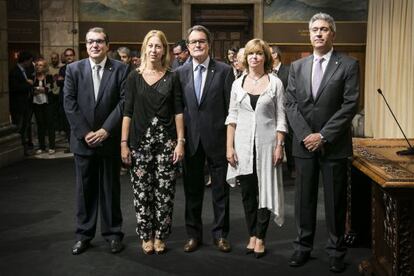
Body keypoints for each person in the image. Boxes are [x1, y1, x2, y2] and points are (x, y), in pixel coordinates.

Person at [285, 13, 359, 273]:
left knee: (335, 201)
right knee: (303, 200)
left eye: (324, 29)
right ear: (309, 33)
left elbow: (350, 105)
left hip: (334, 144)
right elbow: (290, 104)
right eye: (315, 29)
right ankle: (302, 247)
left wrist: (323, 135)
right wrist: (308, 135)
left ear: (332, 34)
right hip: (304, 144)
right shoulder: (297, 66)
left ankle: (337, 250)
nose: (318, 33)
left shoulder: (348, 65)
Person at [64, 27, 129, 255]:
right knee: (85, 190)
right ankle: (84, 235)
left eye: (99, 41)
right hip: (83, 142)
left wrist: (105, 130)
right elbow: (69, 103)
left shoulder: (121, 69)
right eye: (91, 42)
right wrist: (85, 133)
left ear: (107, 46)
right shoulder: (73, 69)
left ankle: (113, 234)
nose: (95, 45)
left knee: (110, 189)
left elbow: (123, 102)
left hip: (108, 141)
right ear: (86, 45)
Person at [121, 30, 185, 255]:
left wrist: (180, 142)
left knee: (165, 193)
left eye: (159, 46)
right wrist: (124, 143)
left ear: (164, 50)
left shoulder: (172, 76)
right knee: (141, 192)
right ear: (144, 48)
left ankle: (160, 236)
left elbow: (178, 111)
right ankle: (145, 235)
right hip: (140, 144)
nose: (154, 50)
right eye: (151, 46)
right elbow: (127, 112)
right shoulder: (133, 77)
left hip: (166, 144)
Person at [226, 38, 287, 259]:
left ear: (266, 57)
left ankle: (261, 237)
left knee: (265, 192)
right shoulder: (237, 84)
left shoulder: (275, 83)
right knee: (248, 193)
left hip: (268, 146)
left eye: (259, 54)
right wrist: (229, 147)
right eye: (251, 54)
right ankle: (251, 233)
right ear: (245, 58)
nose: (254, 57)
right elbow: (232, 117)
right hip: (242, 146)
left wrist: (280, 146)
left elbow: (281, 118)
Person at [176, 25, 234, 253]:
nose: (197, 45)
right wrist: (179, 139)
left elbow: (231, 110)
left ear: (209, 44)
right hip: (190, 141)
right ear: (188, 46)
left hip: (218, 140)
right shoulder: (179, 73)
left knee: (220, 191)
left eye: (201, 41)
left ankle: (220, 235)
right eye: (193, 42)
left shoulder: (224, 71)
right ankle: (193, 235)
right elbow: (178, 109)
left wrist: (231, 142)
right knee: (192, 192)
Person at [270, 45, 295, 178]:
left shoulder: (289, 70)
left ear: (275, 55)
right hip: (271, 112)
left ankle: (292, 168)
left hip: (287, 112)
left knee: (290, 141)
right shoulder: (266, 71)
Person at [9, 51, 34, 155]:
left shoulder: (26, 70)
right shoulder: (14, 71)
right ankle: (18, 150)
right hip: (18, 105)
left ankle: (24, 148)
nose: (31, 64)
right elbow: (14, 87)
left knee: (25, 126)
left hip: (26, 104)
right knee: (19, 127)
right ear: (25, 60)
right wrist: (29, 85)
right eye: (30, 61)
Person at [32, 58, 56, 154]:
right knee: (40, 125)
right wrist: (41, 89)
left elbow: (49, 89)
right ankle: (41, 147)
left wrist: (38, 89)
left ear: (45, 67)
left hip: (48, 104)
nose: (38, 67)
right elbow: (31, 89)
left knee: (50, 124)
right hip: (37, 104)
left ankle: (52, 146)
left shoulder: (49, 77)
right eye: (37, 65)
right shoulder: (33, 77)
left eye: (41, 65)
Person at [57, 48, 76, 150]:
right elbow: (58, 83)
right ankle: (70, 145)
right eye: (67, 55)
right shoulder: (62, 69)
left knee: (74, 123)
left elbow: (77, 83)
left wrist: (64, 80)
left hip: (76, 99)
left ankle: (75, 144)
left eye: (71, 55)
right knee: (66, 124)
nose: (69, 57)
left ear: (74, 56)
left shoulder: (78, 67)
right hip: (64, 99)